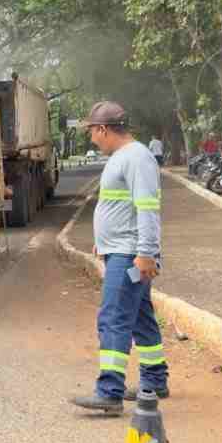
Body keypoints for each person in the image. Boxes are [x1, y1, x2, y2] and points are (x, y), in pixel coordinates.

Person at [71, 101, 167, 415]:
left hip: (130, 257)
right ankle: (154, 381)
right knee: (139, 315)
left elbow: (147, 208)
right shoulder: (124, 157)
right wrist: (104, 242)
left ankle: (109, 392)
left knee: (113, 318)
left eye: (92, 132)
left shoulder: (136, 157)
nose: (92, 139)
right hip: (122, 252)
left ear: (103, 129)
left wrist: (146, 254)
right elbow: (119, 207)